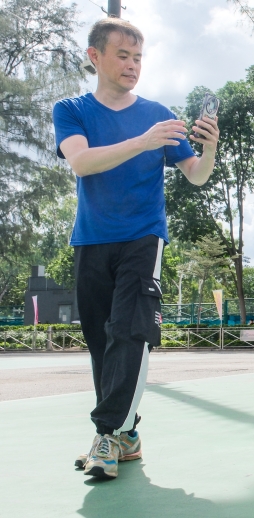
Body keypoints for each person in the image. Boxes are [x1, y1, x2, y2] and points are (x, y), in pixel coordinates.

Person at [53, 18, 219, 480]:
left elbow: (196, 174)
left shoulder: (158, 114)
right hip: (91, 239)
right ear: (95, 57)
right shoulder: (71, 110)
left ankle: (106, 434)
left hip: (143, 238)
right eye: (123, 55)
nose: (132, 65)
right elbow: (82, 163)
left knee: (129, 330)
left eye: (138, 57)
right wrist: (143, 142)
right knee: (100, 342)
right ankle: (126, 436)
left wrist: (208, 150)